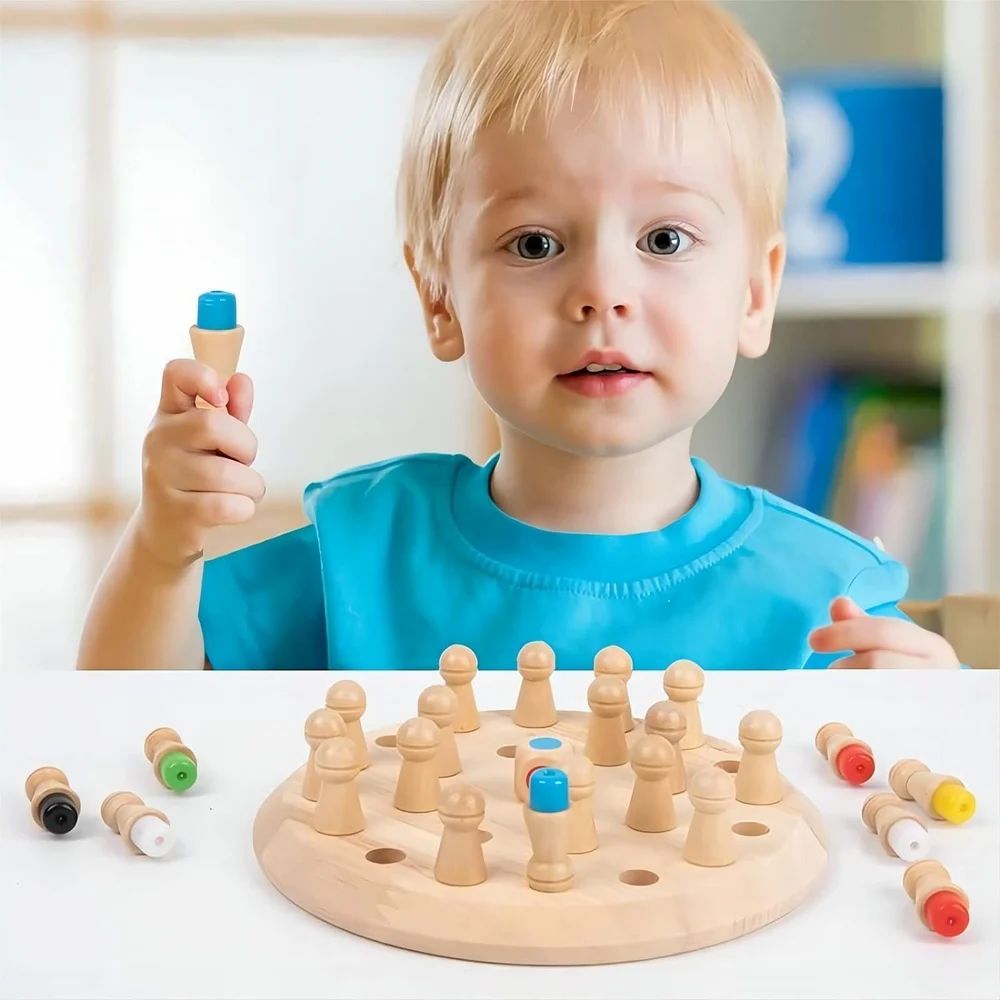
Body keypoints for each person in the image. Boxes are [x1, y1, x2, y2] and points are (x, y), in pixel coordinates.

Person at [77, 0, 959, 671]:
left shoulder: (829, 598)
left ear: (756, 293)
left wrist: (933, 724)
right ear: (441, 299)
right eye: (536, 243)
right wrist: (162, 549)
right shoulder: (361, 554)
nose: (603, 292)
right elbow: (128, 718)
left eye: (664, 240)